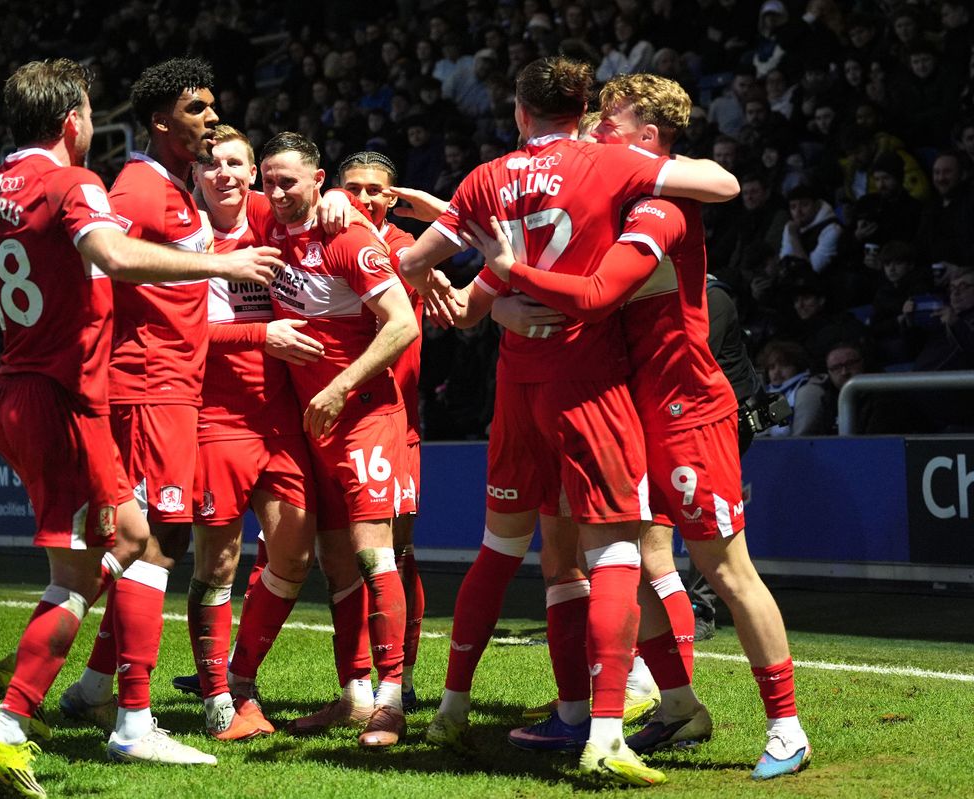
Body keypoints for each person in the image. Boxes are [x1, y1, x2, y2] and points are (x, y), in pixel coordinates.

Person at [393, 55, 738, 787]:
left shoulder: (486, 179)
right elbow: (719, 183)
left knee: (506, 548)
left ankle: (455, 708)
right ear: (583, 112)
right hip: (593, 377)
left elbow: (417, 263)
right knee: (623, 550)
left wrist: (473, 295)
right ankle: (612, 720)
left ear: (518, 112)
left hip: (518, 382)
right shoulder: (610, 165)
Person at [461, 72, 811, 780]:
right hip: (628, 404)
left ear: (648, 139)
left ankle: (787, 725)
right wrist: (496, 295)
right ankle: (679, 704)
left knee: (725, 567)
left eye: (609, 122)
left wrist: (507, 271)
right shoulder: (610, 197)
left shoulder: (661, 206)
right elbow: (531, 231)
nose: (593, 128)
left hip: (686, 409)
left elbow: (593, 294)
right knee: (640, 563)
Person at [0, 58, 279, 796]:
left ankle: (92, 696)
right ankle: (40, 720)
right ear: (74, 122)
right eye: (197, 109)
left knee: (128, 542)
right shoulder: (93, 184)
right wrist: (217, 267)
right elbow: (111, 252)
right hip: (88, 393)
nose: (210, 120)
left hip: (30, 384)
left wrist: (27, 290)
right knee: (110, 560)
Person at [259, 131, 419, 748]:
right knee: (335, 562)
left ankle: (392, 701)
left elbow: (401, 323)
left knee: (376, 551)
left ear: (316, 179)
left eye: (289, 181)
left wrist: (339, 388)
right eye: (267, 181)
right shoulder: (268, 225)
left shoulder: (349, 236)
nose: (276, 192)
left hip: (367, 414)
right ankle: (354, 695)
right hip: (316, 429)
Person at [181, 124, 322, 740]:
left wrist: (337, 196)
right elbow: (183, 334)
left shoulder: (270, 215)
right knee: (219, 562)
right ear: (194, 176)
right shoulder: (182, 237)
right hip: (215, 419)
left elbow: (313, 201)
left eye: (237, 164)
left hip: (278, 417)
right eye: (212, 166)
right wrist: (260, 335)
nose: (226, 175)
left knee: (295, 548)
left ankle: (241, 676)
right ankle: (218, 697)